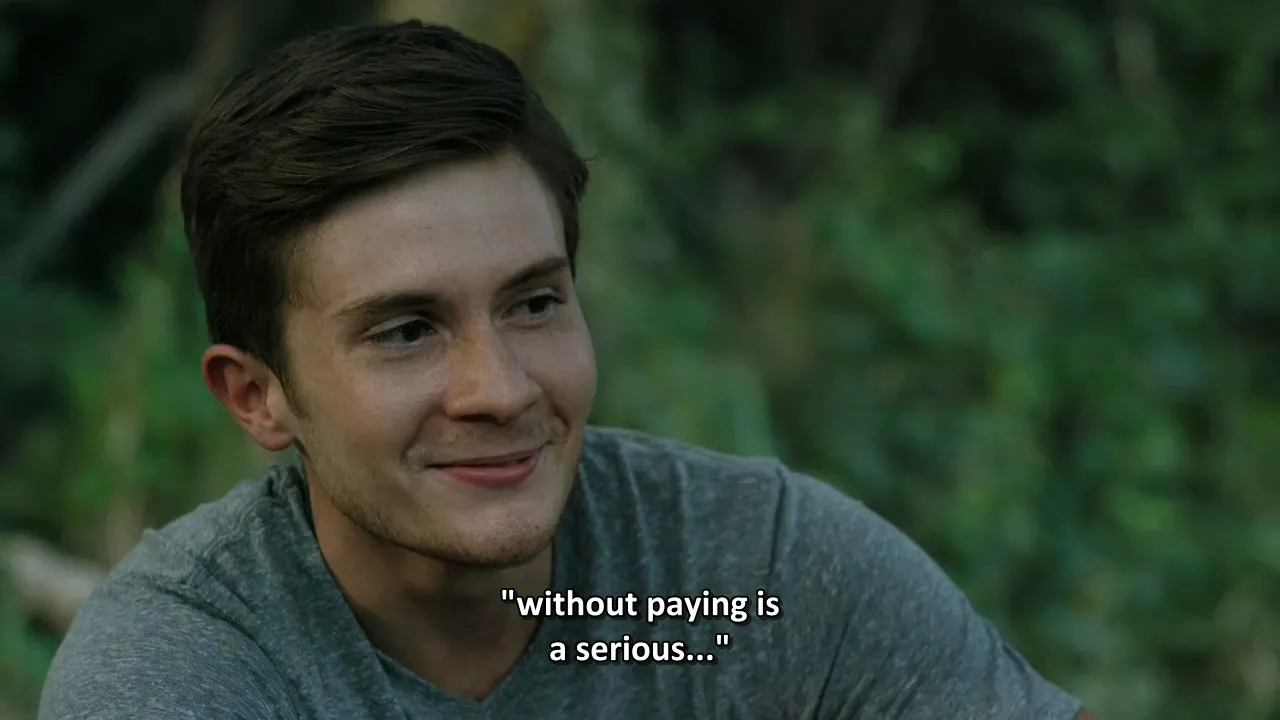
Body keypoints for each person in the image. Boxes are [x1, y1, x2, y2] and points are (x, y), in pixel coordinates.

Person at [38, 20, 1099, 720]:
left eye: (534, 303)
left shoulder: (741, 583)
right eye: (405, 331)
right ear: (257, 396)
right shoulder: (192, 669)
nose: (500, 389)